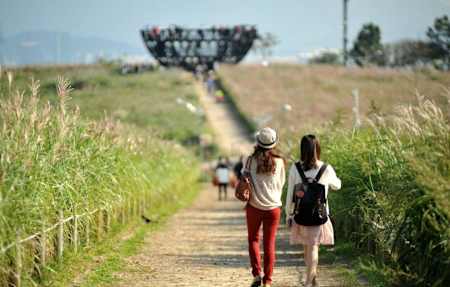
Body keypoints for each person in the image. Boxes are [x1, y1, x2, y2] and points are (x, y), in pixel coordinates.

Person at [285, 135, 341, 287]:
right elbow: (337, 185)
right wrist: (334, 180)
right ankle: (311, 280)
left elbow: (290, 193)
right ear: (318, 149)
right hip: (319, 214)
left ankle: (310, 280)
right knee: (313, 246)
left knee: (307, 246)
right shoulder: (326, 168)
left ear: (302, 150)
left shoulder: (295, 168)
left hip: (300, 214)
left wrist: (288, 214)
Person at [245, 127, 286, 287]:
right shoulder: (280, 162)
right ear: (274, 143)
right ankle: (268, 281)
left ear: (258, 142)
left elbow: (244, 178)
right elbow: (281, 183)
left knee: (253, 239)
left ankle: (256, 274)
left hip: (254, 206)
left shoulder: (249, 160)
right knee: (270, 243)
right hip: (273, 208)